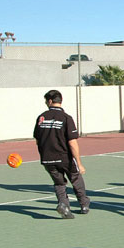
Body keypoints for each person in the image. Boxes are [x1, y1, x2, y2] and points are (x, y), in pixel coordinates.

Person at [33, 90, 91, 219]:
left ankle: (63, 205)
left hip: (47, 159)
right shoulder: (66, 118)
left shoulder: (41, 117)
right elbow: (72, 143)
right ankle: (84, 204)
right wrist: (79, 163)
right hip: (65, 157)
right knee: (76, 178)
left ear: (49, 101)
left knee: (59, 183)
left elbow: (37, 140)